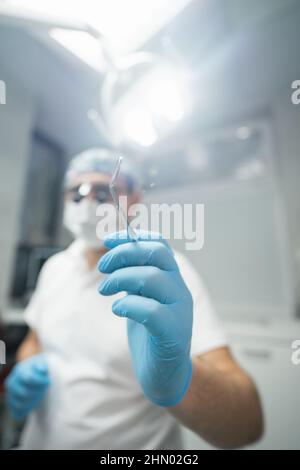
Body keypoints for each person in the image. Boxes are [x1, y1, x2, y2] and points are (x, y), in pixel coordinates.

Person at [5, 149, 263, 450]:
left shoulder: (164, 273)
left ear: (134, 200)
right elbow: (35, 340)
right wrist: (28, 365)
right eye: (77, 193)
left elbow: (248, 425)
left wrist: (179, 378)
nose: (88, 204)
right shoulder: (55, 268)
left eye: (102, 192)